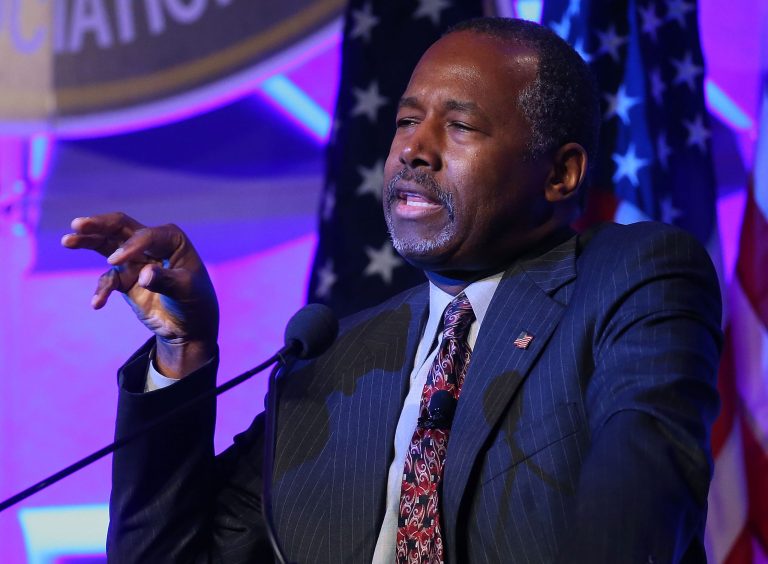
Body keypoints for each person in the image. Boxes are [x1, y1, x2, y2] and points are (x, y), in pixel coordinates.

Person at [62, 17, 722, 564]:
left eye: (459, 127)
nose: (414, 151)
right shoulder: (336, 357)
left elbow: (642, 489)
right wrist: (184, 351)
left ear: (560, 173)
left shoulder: (631, 279)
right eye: (406, 122)